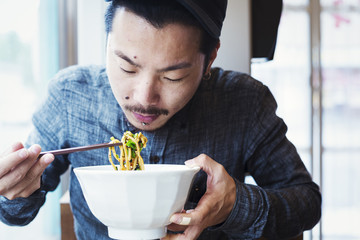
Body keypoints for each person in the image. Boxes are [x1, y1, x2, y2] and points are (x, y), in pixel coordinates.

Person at [0, 0, 321, 239]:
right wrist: (14, 191)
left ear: (209, 59)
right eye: (127, 67)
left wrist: (234, 204)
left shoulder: (244, 103)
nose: (143, 97)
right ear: (107, 43)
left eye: (173, 75)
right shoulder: (71, 95)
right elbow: (16, 214)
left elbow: (307, 203)